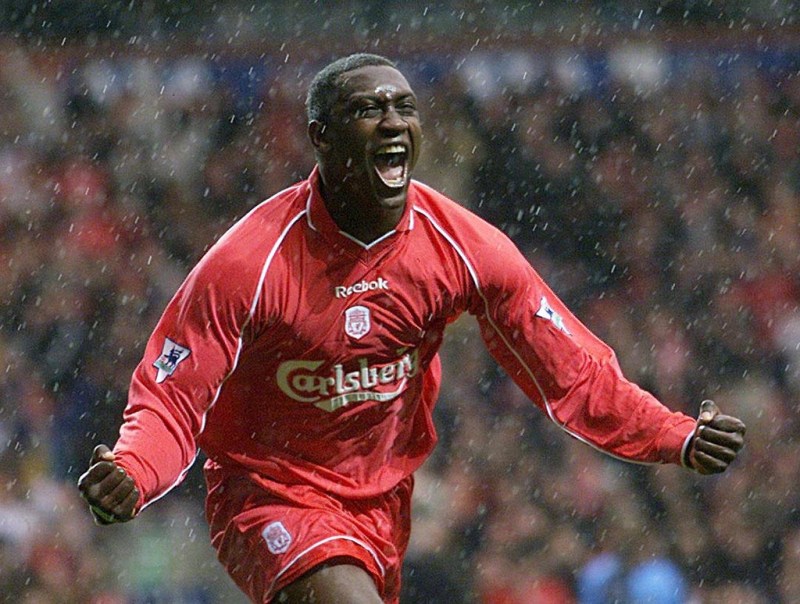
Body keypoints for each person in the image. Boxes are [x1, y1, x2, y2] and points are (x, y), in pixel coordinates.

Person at [78, 53, 746, 604]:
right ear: (321, 137)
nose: (393, 122)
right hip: (267, 494)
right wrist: (135, 470)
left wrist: (674, 433)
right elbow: (172, 395)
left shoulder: (462, 247)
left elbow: (571, 372)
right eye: (368, 109)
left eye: (404, 108)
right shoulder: (248, 263)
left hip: (384, 502)